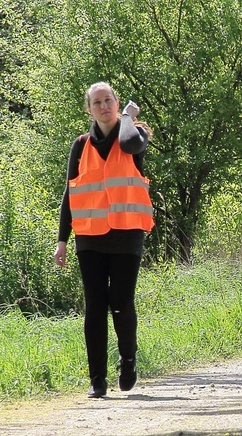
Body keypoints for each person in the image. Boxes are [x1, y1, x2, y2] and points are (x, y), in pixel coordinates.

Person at [53, 82, 154, 398]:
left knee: (121, 302)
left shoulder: (134, 135)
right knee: (95, 306)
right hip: (90, 236)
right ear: (89, 109)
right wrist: (62, 240)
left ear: (117, 103)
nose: (103, 106)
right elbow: (71, 192)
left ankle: (128, 360)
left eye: (108, 100)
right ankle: (97, 379)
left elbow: (127, 142)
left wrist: (128, 116)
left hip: (126, 232)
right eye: (96, 102)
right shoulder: (80, 145)